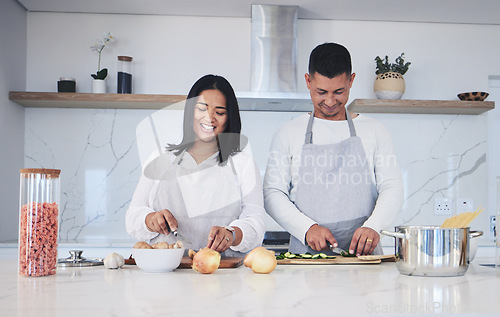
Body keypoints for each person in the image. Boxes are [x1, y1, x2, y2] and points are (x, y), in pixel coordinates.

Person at [263, 43, 404, 256]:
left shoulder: (375, 131)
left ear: (351, 80)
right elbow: (272, 192)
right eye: (321, 92)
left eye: (339, 92)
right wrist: (307, 228)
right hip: (306, 258)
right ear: (308, 81)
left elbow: (392, 187)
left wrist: (374, 225)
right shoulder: (288, 133)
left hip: (363, 259)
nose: (330, 101)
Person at [126, 74, 265, 256]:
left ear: (229, 119)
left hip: (222, 276)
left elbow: (256, 223)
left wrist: (232, 234)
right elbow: (132, 217)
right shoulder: (160, 159)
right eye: (202, 109)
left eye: (220, 112)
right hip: (166, 276)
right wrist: (150, 219)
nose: (210, 118)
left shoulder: (243, 165)